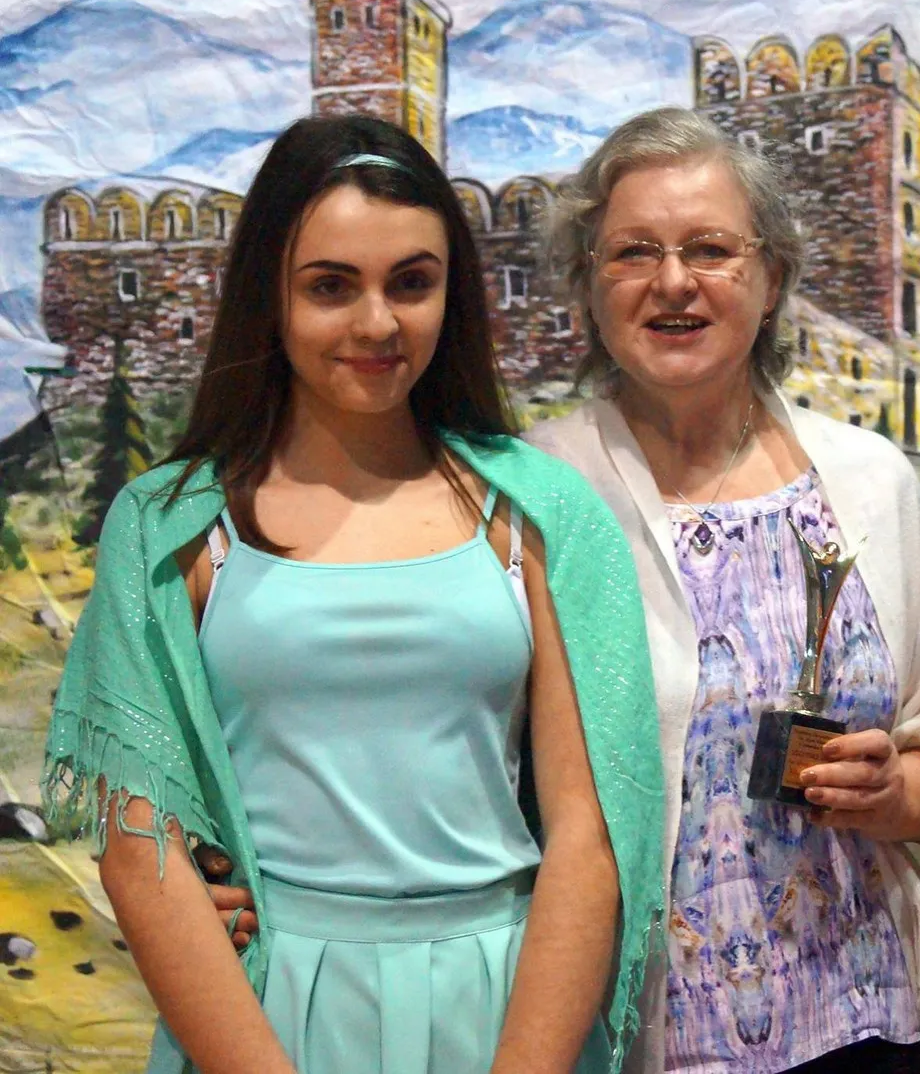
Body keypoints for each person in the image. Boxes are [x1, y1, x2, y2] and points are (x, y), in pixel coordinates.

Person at [41, 114, 662, 1074]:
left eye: (410, 283)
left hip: (507, 1008)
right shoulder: (169, 530)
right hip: (265, 1013)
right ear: (270, 294)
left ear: (452, 293)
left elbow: (591, 833)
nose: (377, 324)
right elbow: (141, 851)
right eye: (331, 286)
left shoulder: (542, 514)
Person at [524, 106, 920, 1073]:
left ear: (772, 277)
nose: (673, 281)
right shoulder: (537, 494)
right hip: (639, 1035)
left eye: (710, 249)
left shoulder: (868, 482)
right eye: (633, 252)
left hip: (868, 1025)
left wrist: (897, 792)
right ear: (588, 284)